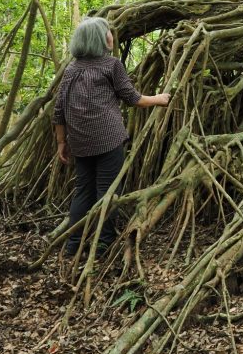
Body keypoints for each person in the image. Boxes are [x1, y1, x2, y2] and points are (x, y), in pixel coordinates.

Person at [53, 17, 170, 255]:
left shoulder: (71, 69)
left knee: (83, 191)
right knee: (108, 192)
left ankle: (73, 245)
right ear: (99, 38)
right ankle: (102, 244)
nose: (112, 36)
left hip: (80, 141)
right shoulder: (111, 64)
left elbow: (59, 110)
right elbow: (132, 98)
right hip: (108, 140)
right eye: (108, 32)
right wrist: (160, 99)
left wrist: (61, 142)